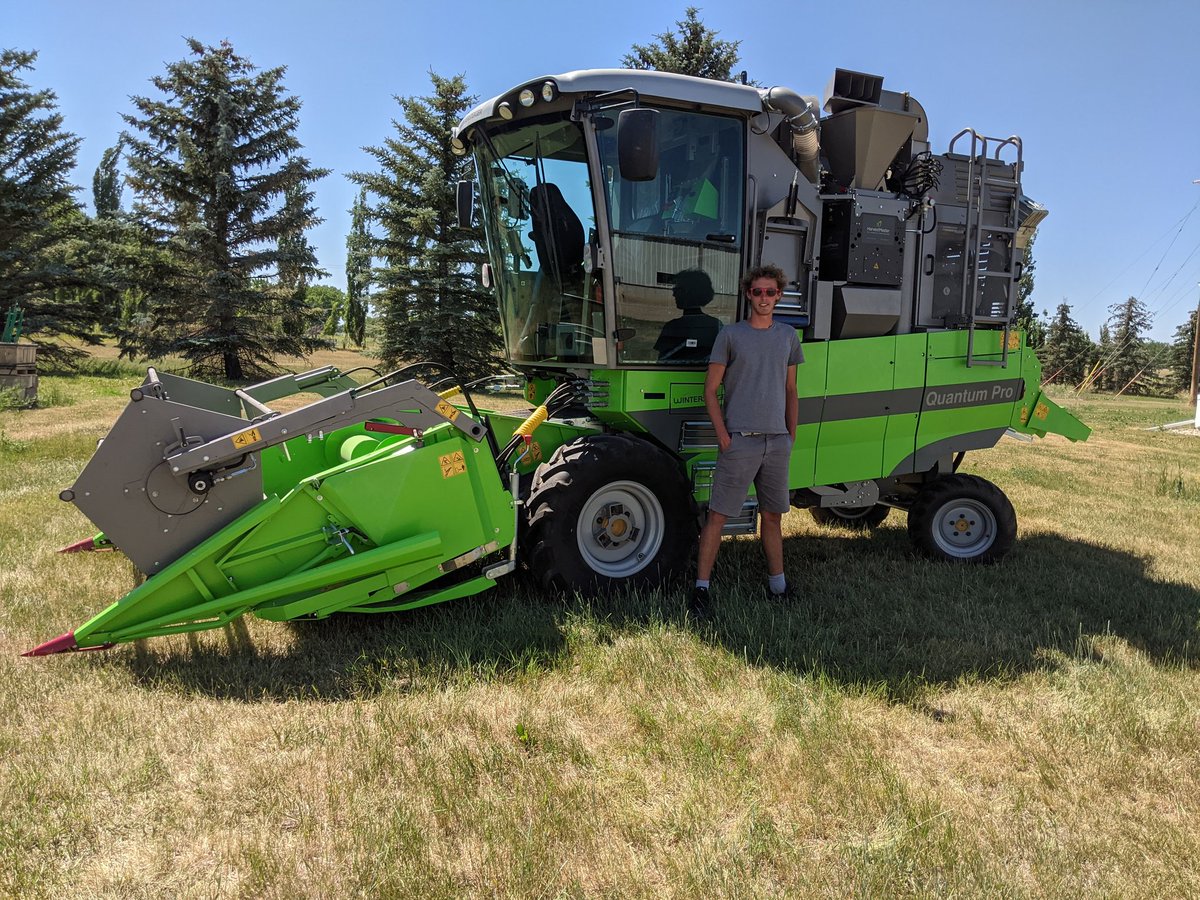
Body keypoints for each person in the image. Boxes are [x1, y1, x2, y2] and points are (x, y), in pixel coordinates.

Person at [691, 264, 803, 617]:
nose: (764, 298)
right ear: (748, 295)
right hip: (740, 442)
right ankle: (701, 590)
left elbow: (791, 391)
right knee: (718, 517)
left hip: (777, 443)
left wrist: (790, 436)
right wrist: (725, 436)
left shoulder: (787, 336)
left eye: (771, 292)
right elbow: (710, 391)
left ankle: (778, 586)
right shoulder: (730, 335)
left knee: (773, 517)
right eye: (758, 292)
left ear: (779, 295)